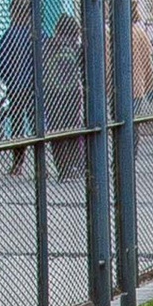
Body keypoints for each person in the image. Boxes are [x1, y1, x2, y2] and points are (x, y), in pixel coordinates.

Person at [0, 0, 38, 174]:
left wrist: (7, 80)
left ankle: (18, 163)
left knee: (18, 124)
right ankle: (39, 165)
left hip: (15, 87)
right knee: (36, 125)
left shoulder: (9, 35)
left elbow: (2, 61)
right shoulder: (34, 33)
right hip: (33, 87)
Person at [43, 12, 84, 180]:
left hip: (53, 94)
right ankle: (78, 166)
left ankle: (63, 169)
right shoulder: (77, 47)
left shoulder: (48, 45)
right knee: (74, 128)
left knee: (56, 132)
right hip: (73, 93)